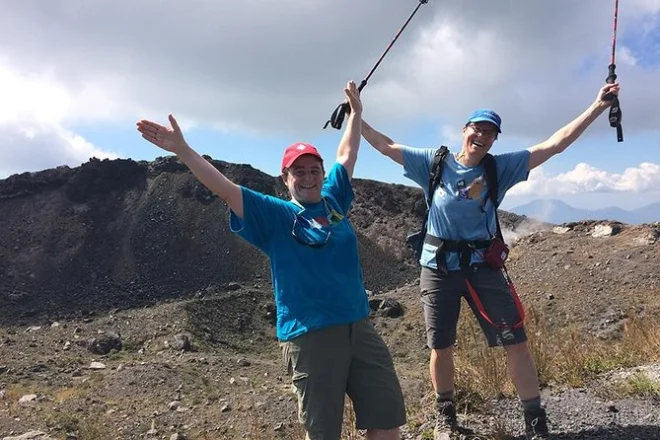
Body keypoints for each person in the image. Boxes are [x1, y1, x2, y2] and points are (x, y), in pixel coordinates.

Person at [136, 81, 406, 440]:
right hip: (311, 336)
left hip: (359, 328)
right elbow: (224, 188)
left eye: (314, 170)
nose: (308, 178)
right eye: (299, 171)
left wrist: (356, 114)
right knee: (323, 433)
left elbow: (346, 154)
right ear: (285, 178)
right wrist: (183, 150)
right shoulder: (276, 215)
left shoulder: (333, 200)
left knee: (386, 419)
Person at [360, 82, 621, 440]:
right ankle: (445, 417)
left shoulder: (500, 168)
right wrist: (357, 116)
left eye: (490, 132)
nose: (482, 136)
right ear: (464, 130)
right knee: (440, 346)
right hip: (438, 267)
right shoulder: (434, 163)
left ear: (495, 139)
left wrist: (597, 106)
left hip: (483, 266)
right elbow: (385, 145)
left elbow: (554, 144)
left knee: (516, 341)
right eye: (477, 129)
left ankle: (534, 421)